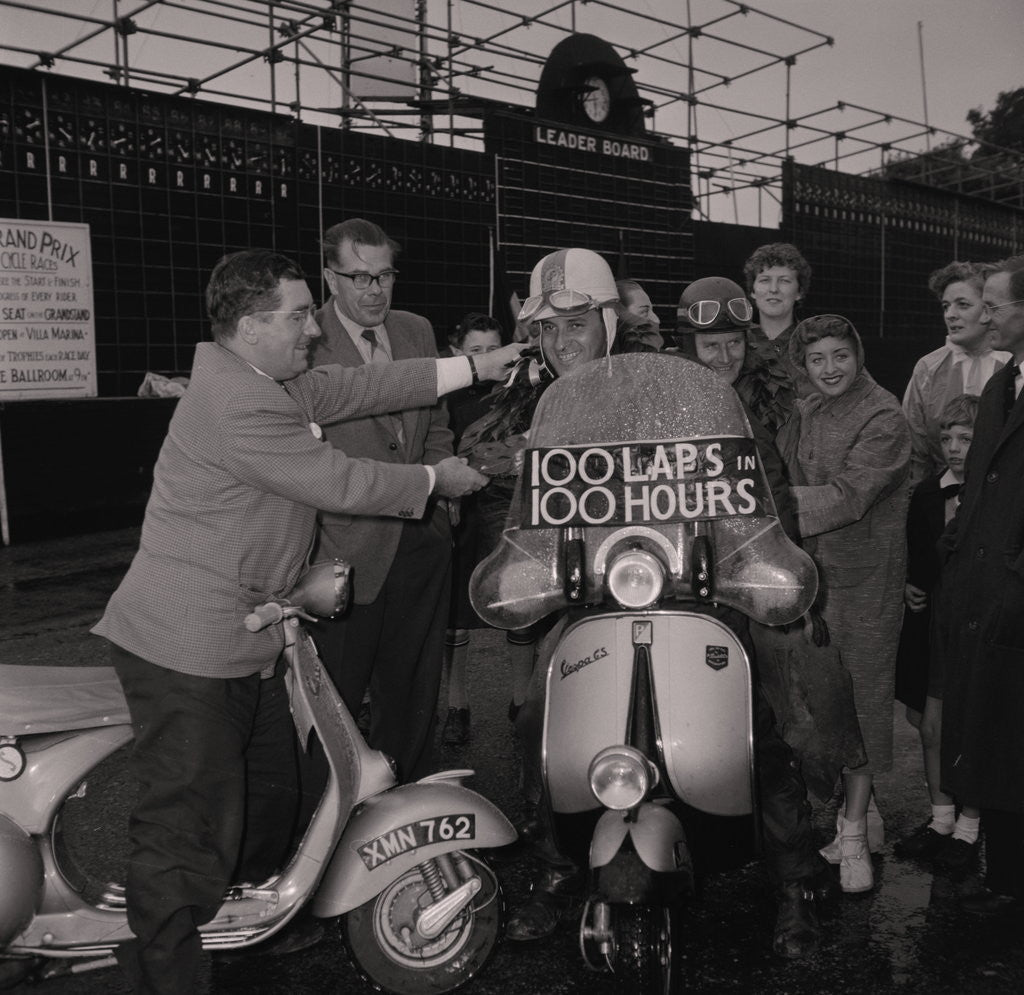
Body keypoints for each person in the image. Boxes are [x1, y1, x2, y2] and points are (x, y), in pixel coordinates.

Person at [91, 249, 523, 994]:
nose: (313, 330)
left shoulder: (267, 377)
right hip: (188, 645)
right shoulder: (240, 402)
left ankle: (249, 923)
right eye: (298, 316)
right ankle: (167, 972)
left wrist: (475, 367)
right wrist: (434, 478)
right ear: (251, 326)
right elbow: (337, 480)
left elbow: (361, 385)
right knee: (187, 822)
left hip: (243, 634)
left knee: (274, 793)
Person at [503, 261, 825, 962]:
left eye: (575, 324)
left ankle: (795, 881)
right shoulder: (549, 405)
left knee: (760, 726)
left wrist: (762, 556)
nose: (562, 342)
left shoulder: (666, 386)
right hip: (595, 597)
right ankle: (556, 865)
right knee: (537, 722)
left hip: (700, 591)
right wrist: (524, 562)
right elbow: (530, 512)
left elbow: (755, 487)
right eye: (548, 330)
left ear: (607, 321)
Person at [678, 279, 867, 805]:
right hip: (675, 577)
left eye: (734, 343)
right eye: (711, 345)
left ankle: (797, 832)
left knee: (773, 708)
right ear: (688, 345)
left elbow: (775, 496)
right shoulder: (662, 399)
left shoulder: (752, 404)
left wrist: (789, 577)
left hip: (741, 577)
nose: (725, 357)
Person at [311, 217, 453, 782]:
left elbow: (437, 420)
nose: (375, 290)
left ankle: (410, 801)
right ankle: (334, 810)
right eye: (359, 278)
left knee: (413, 693)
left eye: (385, 276)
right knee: (336, 697)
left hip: (420, 540)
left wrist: (441, 498)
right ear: (330, 278)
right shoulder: (305, 340)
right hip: (343, 550)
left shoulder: (416, 330)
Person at [776, 314, 911, 894]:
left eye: (840, 355)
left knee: (862, 704)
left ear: (858, 354)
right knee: (817, 703)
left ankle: (854, 833)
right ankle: (855, 815)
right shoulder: (807, 408)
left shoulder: (884, 416)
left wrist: (768, 507)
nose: (830, 368)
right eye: (817, 359)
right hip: (811, 578)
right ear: (802, 366)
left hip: (865, 586)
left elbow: (851, 497)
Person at [935, 256, 1024, 918]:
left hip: (1014, 593)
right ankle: (1006, 881)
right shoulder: (1001, 385)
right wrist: (957, 555)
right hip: (983, 590)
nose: (984, 316)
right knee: (994, 736)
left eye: (994, 305)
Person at [894, 394, 982, 868]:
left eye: (966, 438)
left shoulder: (997, 494)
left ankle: (969, 828)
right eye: (947, 438)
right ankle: (941, 819)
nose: (954, 448)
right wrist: (910, 583)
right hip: (934, 626)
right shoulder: (928, 493)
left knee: (971, 728)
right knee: (931, 727)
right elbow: (915, 554)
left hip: (976, 628)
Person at [440, 312, 504, 746]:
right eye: (475, 350)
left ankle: (521, 700)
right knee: (456, 616)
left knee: (518, 605)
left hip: (505, 506)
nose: (485, 357)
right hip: (464, 510)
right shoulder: (447, 400)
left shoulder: (521, 393)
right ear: (457, 353)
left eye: (493, 349)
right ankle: (456, 705)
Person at [902, 261, 1010, 485]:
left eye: (962, 305)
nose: (950, 315)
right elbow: (915, 452)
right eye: (945, 306)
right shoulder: (928, 368)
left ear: (988, 308)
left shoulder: (1014, 362)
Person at [742, 241, 812, 399]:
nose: (773, 289)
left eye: (784, 280)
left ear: (799, 292)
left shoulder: (816, 343)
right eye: (765, 280)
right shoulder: (737, 344)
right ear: (752, 290)